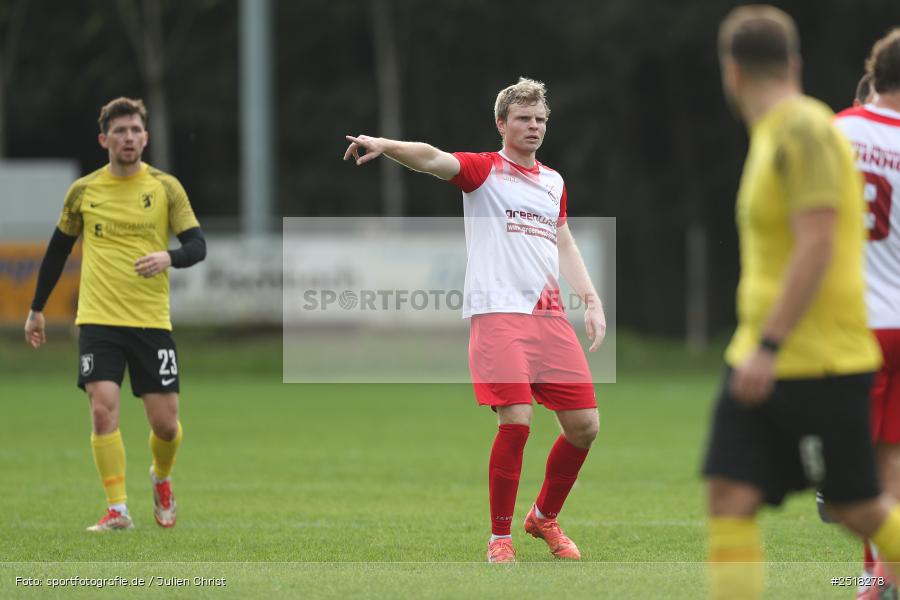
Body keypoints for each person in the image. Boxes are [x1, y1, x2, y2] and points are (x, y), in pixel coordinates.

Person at [343, 78, 606, 563]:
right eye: (524, 119)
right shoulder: (485, 171)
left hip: (548, 316)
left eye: (541, 119)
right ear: (502, 123)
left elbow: (563, 241)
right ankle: (499, 538)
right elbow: (430, 157)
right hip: (498, 314)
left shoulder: (554, 183)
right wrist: (385, 145)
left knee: (585, 426)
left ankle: (543, 518)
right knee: (517, 422)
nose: (534, 126)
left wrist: (590, 299)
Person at [703, 6, 900, 599]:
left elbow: (816, 244)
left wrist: (768, 345)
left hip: (816, 356)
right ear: (793, 62)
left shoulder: (808, 129)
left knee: (858, 506)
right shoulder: (774, 134)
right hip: (767, 353)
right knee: (730, 495)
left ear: (730, 71)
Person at [24, 97, 206, 531]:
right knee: (102, 409)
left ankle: (161, 477)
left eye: (136, 130)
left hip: (150, 321)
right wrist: (36, 309)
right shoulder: (84, 191)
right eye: (120, 131)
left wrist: (169, 257)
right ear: (104, 139)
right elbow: (56, 251)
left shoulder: (165, 188)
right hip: (98, 320)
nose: (129, 138)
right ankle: (117, 509)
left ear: (146, 137)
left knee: (166, 426)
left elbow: (197, 246)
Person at [831, 28, 900, 592]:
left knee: (854, 478)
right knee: (890, 463)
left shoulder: (840, 130)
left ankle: (875, 578)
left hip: (855, 324)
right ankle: (875, 578)